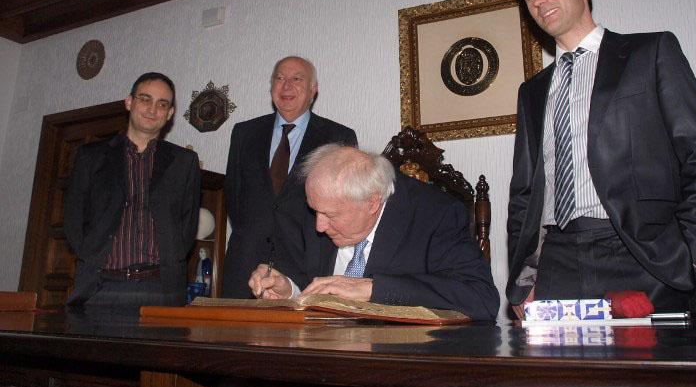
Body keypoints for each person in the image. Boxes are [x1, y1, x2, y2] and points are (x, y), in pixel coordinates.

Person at [506, 0, 696, 317]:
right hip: (557, 264)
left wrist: (693, 259)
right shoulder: (531, 91)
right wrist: (522, 280)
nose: (538, 1)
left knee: (654, 376)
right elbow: (524, 193)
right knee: (560, 377)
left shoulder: (650, 52)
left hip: (643, 258)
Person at [248, 145, 499, 321]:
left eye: (331, 216)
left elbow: (482, 299)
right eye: (316, 211)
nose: (319, 226)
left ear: (372, 202)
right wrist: (288, 290)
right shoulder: (319, 208)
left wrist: (373, 289)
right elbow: (309, 283)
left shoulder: (435, 215)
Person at [222, 56, 357, 297]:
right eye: (280, 78)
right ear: (271, 86)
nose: (286, 86)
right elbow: (234, 197)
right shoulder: (243, 133)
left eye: (297, 79)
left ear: (313, 91)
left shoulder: (339, 137)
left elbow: (344, 207)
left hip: (306, 266)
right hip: (244, 267)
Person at [64, 72, 200, 308]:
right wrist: (93, 255)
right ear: (129, 102)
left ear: (170, 114)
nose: (152, 109)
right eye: (145, 99)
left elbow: (187, 227)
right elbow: (73, 220)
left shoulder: (184, 162)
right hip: (100, 288)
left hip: (162, 291)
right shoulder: (90, 157)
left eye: (162, 104)